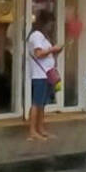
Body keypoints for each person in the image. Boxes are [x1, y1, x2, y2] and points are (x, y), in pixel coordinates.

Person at [27, 9, 63, 141]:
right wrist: (53, 49)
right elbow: (38, 53)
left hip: (46, 74)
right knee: (36, 103)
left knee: (42, 103)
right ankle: (32, 131)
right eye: (50, 23)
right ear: (44, 23)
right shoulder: (36, 35)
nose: (51, 26)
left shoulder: (42, 36)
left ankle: (41, 129)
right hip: (39, 75)